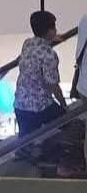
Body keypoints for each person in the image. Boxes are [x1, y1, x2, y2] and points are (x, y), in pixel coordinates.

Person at [13, 10, 67, 151]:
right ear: (49, 31)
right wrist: (63, 104)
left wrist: (50, 40)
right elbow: (52, 85)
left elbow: (36, 52)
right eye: (53, 27)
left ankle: (27, 152)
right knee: (68, 122)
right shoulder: (49, 54)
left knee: (25, 140)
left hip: (20, 103)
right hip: (39, 107)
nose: (56, 30)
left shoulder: (28, 43)